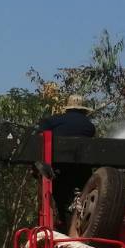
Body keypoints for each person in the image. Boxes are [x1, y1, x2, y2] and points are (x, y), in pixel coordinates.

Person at [35, 95, 96, 229]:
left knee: (61, 200)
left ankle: (63, 225)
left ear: (67, 109)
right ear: (84, 110)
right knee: (78, 200)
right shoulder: (89, 126)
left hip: (59, 171)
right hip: (82, 173)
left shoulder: (52, 121)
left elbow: (40, 136)